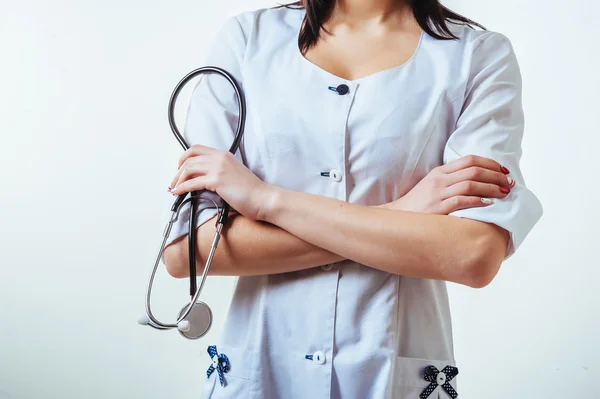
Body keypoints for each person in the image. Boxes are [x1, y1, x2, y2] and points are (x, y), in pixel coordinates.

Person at [162, 1, 543, 398]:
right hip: (262, 367)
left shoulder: (477, 56)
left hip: (391, 372)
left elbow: (473, 255)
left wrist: (267, 201)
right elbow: (187, 251)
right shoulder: (248, 40)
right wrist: (402, 212)